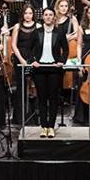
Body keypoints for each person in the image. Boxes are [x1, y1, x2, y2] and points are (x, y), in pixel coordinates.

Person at [30, 8, 67, 136]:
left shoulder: (59, 32)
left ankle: (51, 126)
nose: (48, 17)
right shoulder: (37, 32)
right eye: (46, 14)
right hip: (40, 69)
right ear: (43, 17)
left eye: (50, 15)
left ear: (53, 17)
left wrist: (61, 61)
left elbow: (66, 50)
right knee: (41, 98)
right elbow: (28, 49)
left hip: (54, 69)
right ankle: (43, 126)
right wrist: (32, 61)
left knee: (53, 98)